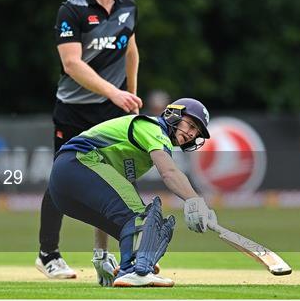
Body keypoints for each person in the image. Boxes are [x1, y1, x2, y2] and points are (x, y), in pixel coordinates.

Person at [36, 0, 143, 281]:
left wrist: (131, 98)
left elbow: (131, 51)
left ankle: (105, 257)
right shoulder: (73, 10)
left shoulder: (128, 6)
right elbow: (72, 65)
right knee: (60, 181)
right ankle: (47, 254)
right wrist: (115, 93)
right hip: (74, 110)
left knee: (113, 181)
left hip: (112, 110)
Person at [49, 98, 216, 287]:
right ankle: (135, 270)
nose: (191, 134)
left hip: (63, 186)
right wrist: (195, 201)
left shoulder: (144, 147)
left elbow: (105, 211)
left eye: (196, 132)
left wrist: (100, 254)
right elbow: (169, 172)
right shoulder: (152, 127)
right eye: (191, 124)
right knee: (143, 217)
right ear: (174, 114)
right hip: (77, 164)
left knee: (127, 218)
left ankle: (129, 265)